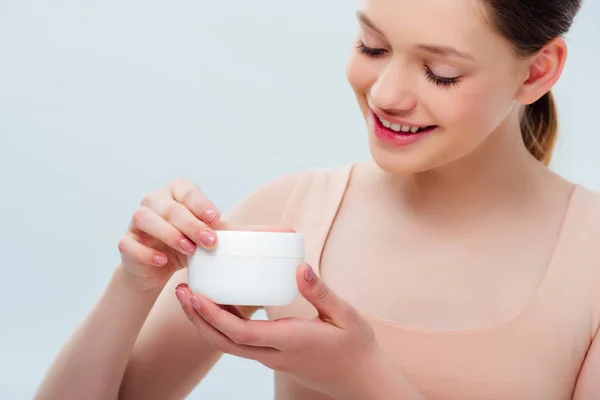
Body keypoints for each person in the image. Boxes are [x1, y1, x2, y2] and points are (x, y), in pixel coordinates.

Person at [33, 0, 597, 399]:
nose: (385, 94)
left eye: (440, 72)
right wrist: (133, 284)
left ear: (537, 70)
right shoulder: (292, 215)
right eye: (372, 46)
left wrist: (362, 380)